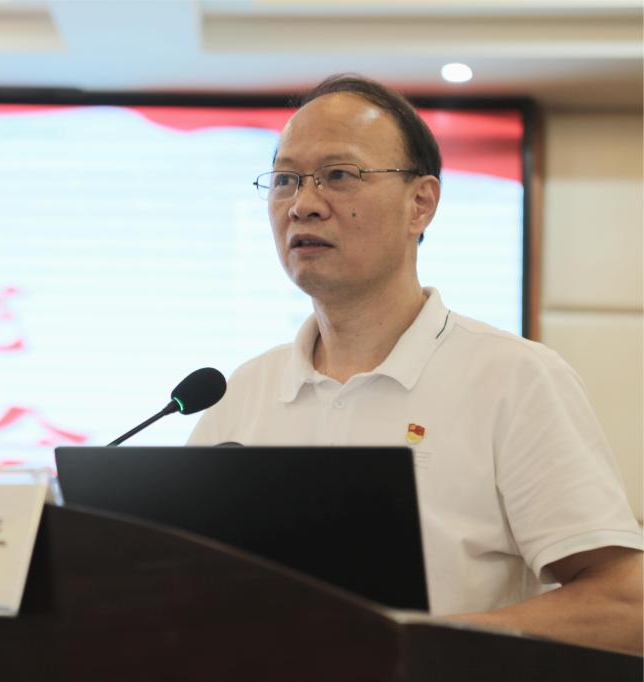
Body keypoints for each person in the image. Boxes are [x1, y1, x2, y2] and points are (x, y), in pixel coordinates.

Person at [187, 74, 643, 654]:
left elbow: (625, 605)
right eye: (285, 180)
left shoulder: (514, 379)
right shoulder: (239, 395)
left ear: (420, 204)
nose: (303, 204)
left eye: (338, 175)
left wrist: (408, 644)